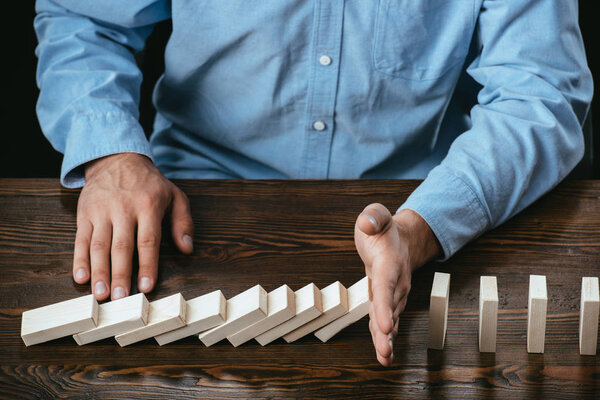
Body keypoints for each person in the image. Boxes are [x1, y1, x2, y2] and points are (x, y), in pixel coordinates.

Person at [34, 0, 592, 366]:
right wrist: (113, 158)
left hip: (414, 218)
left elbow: (538, 93)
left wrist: (420, 229)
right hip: (190, 209)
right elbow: (84, 19)